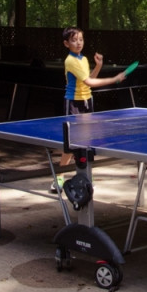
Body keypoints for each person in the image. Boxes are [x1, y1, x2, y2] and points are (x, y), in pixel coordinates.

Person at [52, 26, 126, 192]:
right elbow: (89, 82)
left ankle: (85, 177)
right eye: (74, 40)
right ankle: (59, 177)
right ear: (66, 43)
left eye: (80, 39)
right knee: (71, 145)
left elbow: (90, 78)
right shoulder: (70, 61)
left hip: (87, 101)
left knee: (86, 142)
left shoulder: (84, 59)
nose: (78, 43)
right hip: (74, 102)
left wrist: (98, 66)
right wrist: (114, 79)